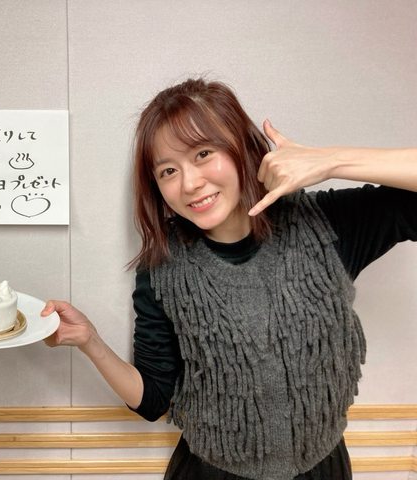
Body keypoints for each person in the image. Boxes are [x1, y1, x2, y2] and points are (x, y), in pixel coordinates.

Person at [40, 78, 417, 480]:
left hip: (323, 469)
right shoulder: (163, 268)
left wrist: (332, 161)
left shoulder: (325, 226)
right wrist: (90, 342)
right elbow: (153, 399)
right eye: (168, 171)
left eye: (203, 153)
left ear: (243, 147)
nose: (189, 183)